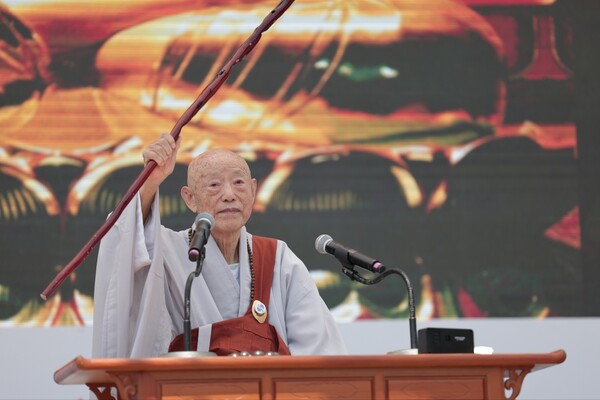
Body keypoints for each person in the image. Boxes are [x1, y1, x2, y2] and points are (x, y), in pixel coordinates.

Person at [91, 133, 347, 358]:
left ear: (253, 190)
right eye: (214, 185)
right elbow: (126, 239)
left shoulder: (278, 258)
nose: (229, 195)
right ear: (190, 199)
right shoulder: (167, 251)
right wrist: (151, 182)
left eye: (238, 183)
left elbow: (317, 348)